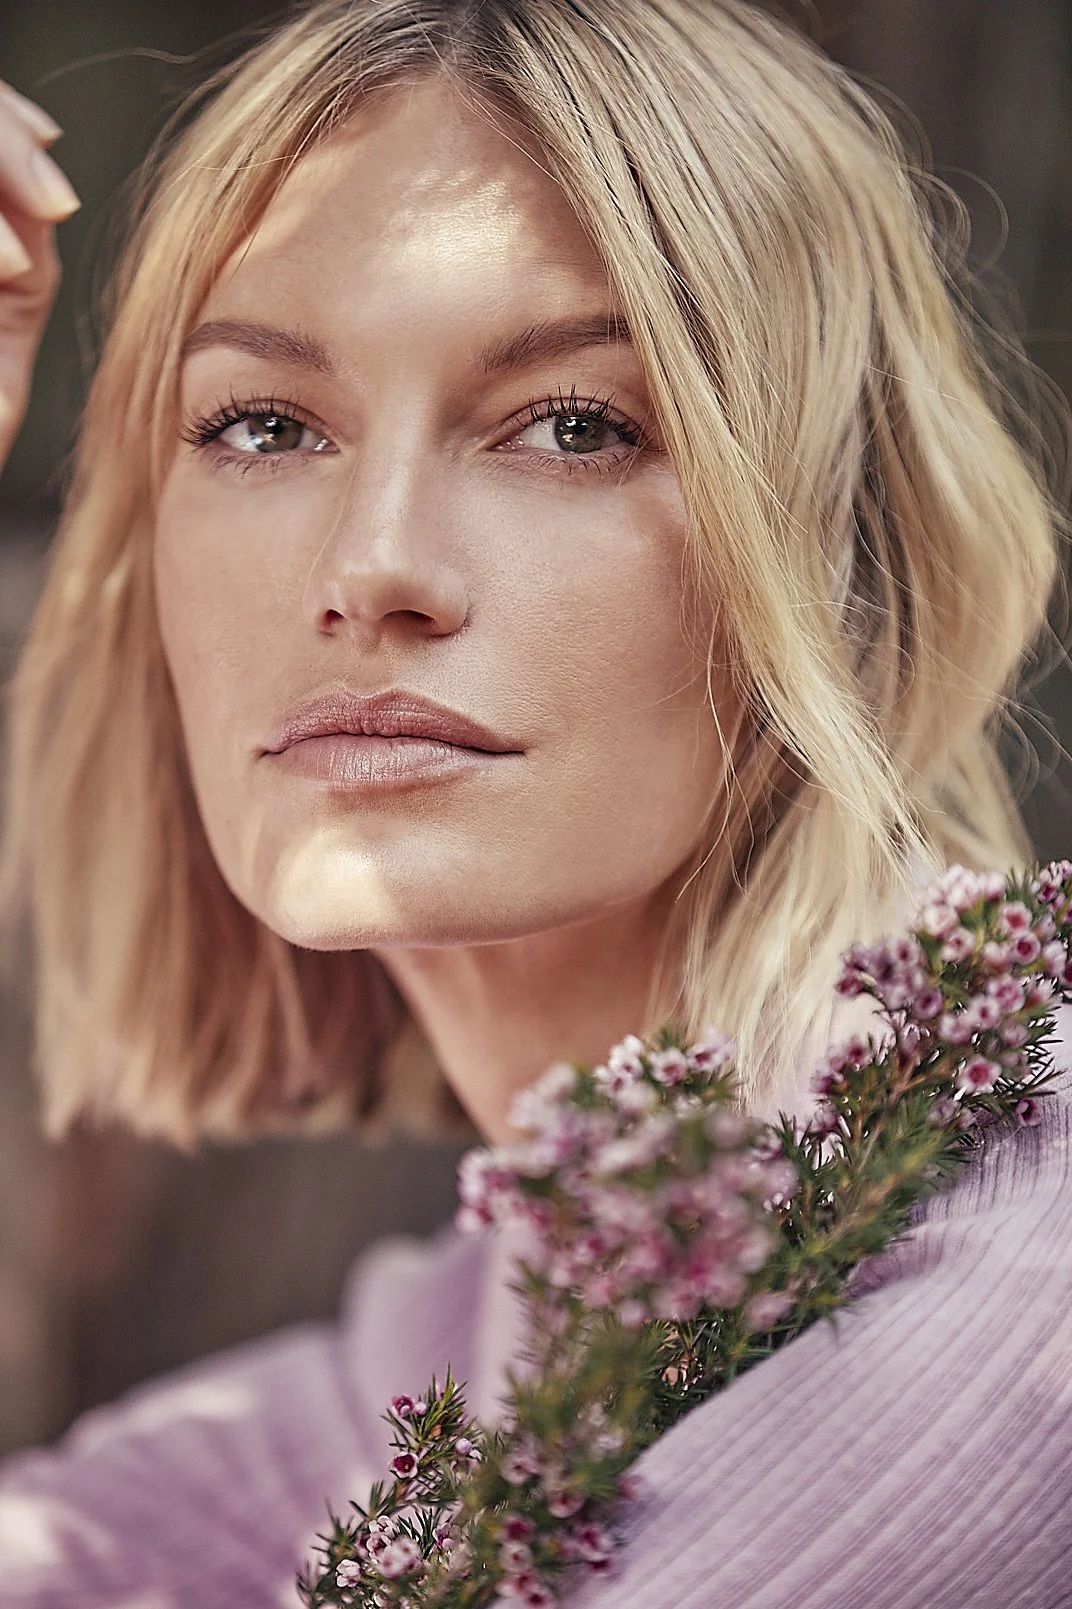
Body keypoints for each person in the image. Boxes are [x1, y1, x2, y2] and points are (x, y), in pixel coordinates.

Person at [0, 1, 1069, 1603]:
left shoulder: (1012, 1219)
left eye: (574, 425)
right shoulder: (444, 1364)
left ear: (843, 564)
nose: (373, 569)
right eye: (264, 424)